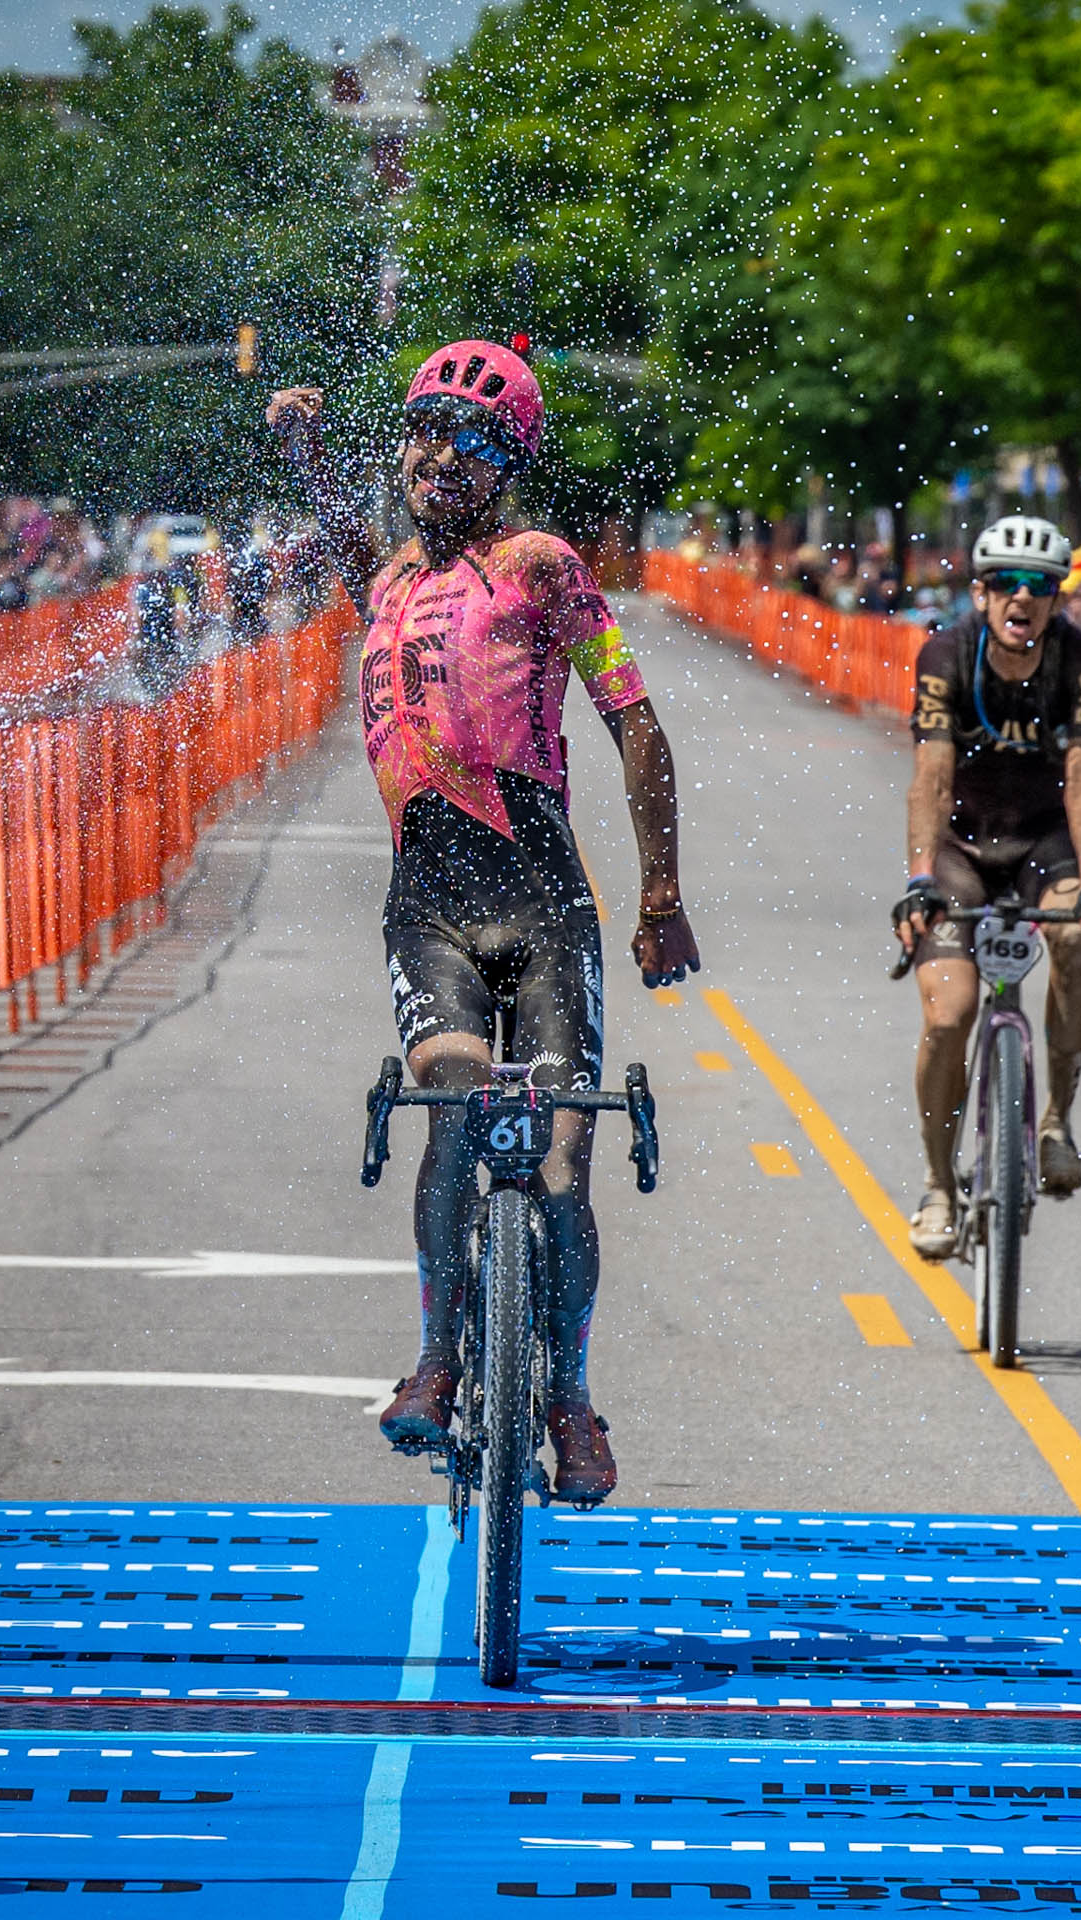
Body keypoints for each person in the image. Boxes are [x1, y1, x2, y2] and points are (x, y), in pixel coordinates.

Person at [267, 338, 698, 1502]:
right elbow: (358, 552)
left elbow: (636, 724)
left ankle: (569, 1397)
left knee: (561, 1169)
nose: (433, 455)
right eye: (418, 432)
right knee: (453, 1109)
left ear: (506, 463)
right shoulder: (395, 583)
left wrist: (660, 896)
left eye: (466, 440)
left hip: (546, 905)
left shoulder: (543, 566)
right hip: (433, 916)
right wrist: (310, 454)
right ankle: (436, 1359)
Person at [892, 514, 1081, 1258]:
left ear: (1057, 598)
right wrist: (920, 878)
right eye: (1005, 584)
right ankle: (939, 1185)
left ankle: (1056, 1123)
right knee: (949, 1015)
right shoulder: (945, 653)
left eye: (1038, 586)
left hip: (1043, 842)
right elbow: (931, 773)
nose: (1020, 599)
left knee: (1071, 937)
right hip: (962, 846)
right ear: (980, 592)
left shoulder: (1080, 658)